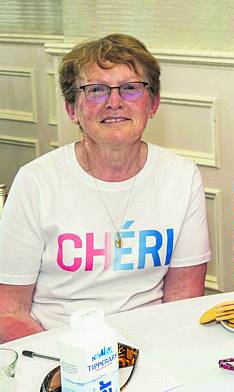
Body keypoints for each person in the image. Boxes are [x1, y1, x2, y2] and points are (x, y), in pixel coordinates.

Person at [0, 34, 211, 342]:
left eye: (130, 88)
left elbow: (183, 299)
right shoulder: (36, 182)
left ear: (152, 104)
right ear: (72, 109)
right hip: (57, 349)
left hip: (152, 347)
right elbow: (9, 312)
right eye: (96, 90)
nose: (115, 102)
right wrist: (71, 362)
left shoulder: (181, 176)